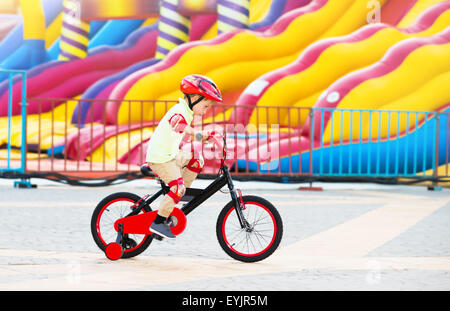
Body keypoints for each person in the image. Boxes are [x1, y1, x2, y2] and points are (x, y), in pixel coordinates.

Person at [146, 74, 223, 239]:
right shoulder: (179, 110)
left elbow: (184, 132)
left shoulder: (188, 112)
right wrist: (199, 134)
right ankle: (158, 222)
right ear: (194, 97)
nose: (207, 109)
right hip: (161, 158)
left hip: (171, 155)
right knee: (177, 187)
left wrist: (207, 137)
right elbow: (178, 125)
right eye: (206, 105)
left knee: (197, 160)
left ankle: (180, 193)